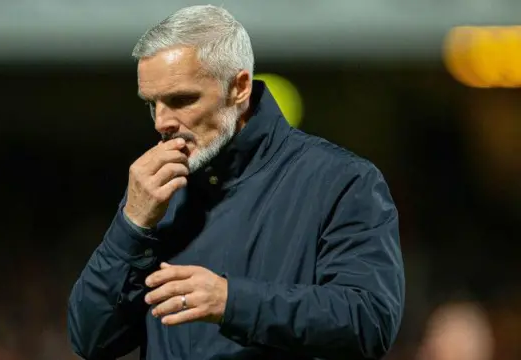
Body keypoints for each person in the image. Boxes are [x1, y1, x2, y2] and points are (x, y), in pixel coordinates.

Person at [68, 5, 405, 360]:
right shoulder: (155, 194)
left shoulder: (342, 181)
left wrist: (232, 301)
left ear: (239, 88)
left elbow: (369, 321)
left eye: (181, 100)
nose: (162, 122)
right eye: (153, 104)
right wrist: (131, 225)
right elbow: (91, 339)